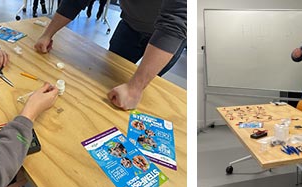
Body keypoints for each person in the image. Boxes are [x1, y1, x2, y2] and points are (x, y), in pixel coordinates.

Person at [33, 0, 187, 110]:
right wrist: (48, 34)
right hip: (130, 25)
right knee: (108, 85)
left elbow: (174, 23)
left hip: (168, 38)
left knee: (143, 92)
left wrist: (135, 88)